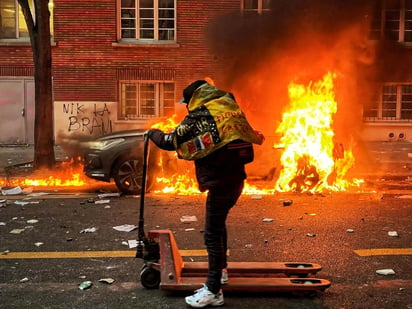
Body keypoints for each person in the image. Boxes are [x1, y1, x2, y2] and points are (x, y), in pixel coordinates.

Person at [147, 80, 264, 308]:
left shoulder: (200, 115)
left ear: (194, 99)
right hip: (235, 179)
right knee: (218, 227)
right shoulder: (228, 107)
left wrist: (152, 133)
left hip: (220, 181)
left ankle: (213, 290)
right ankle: (220, 273)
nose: (187, 106)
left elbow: (172, 141)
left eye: (187, 102)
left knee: (211, 234)